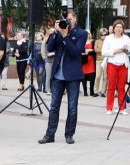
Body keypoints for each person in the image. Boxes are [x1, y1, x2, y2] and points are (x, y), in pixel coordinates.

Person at [38, 10, 87, 144]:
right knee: (54, 106)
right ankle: (49, 135)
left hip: (73, 76)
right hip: (58, 75)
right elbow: (50, 48)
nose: (68, 22)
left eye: (70, 19)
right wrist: (55, 32)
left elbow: (75, 52)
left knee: (72, 107)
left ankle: (69, 134)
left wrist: (65, 36)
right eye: (66, 19)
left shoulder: (82, 33)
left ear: (75, 19)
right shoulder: (58, 33)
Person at [101, 20, 130, 115]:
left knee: (121, 87)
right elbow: (104, 52)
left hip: (123, 65)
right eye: (117, 27)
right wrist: (115, 51)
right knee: (111, 86)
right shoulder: (108, 38)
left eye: (121, 27)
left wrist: (126, 51)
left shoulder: (126, 38)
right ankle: (109, 108)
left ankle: (122, 108)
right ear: (114, 28)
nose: (119, 29)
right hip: (112, 64)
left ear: (123, 29)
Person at [93, 28, 108, 96]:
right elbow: (96, 50)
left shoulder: (108, 41)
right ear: (100, 35)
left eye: (105, 34)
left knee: (105, 77)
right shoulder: (97, 41)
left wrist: (101, 50)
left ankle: (103, 91)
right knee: (98, 76)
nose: (103, 36)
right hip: (99, 60)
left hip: (106, 60)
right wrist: (104, 50)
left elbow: (109, 50)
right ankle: (95, 91)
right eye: (102, 34)